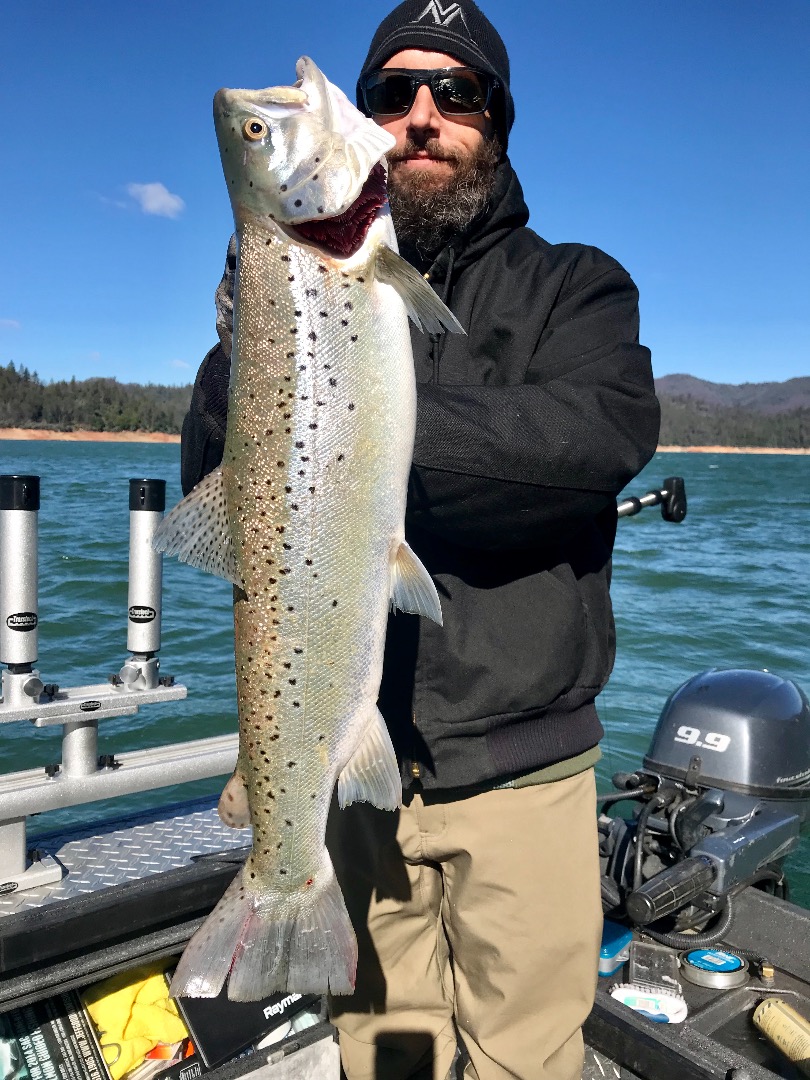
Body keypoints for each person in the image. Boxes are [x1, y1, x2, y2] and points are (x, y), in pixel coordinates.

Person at [180, 2, 660, 1077]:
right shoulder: (296, 289)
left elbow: (594, 438)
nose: (423, 115)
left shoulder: (576, 287)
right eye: (392, 93)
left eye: (459, 92)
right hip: (348, 776)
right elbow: (220, 486)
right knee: (383, 1060)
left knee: (526, 1059)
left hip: (523, 777)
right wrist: (247, 345)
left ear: (497, 122)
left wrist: (344, 417)